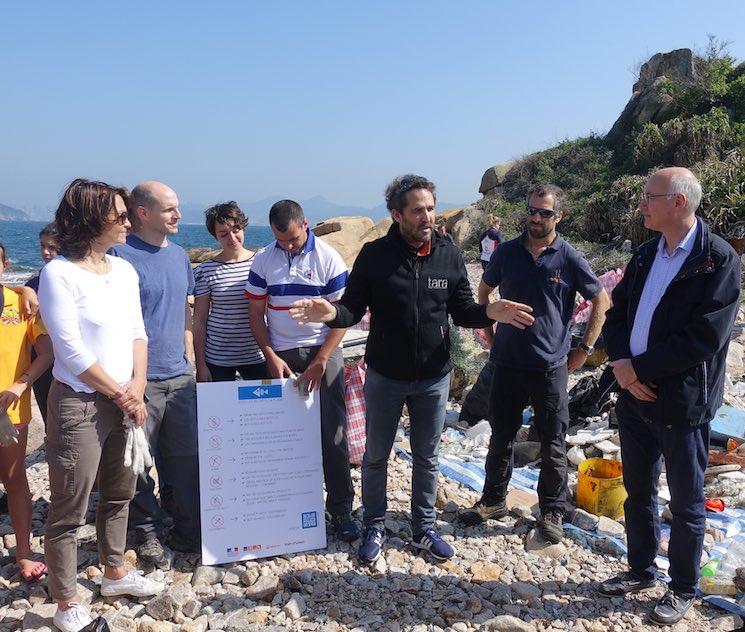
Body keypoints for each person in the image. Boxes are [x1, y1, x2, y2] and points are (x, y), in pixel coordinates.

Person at [289, 174, 534, 563]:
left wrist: (490, 311)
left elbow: (463, 310)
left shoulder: (449, 254)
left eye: (431, 208)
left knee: (427, 456)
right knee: (376, 455)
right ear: (396, 215)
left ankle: (424, 528)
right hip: (385, 375)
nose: (427, 217)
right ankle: (374, 523)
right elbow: (353, 308)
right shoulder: (374, 255)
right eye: (417, 210)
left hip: (434, 377)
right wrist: (332, 312)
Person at [598, 167, 740, 625]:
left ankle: (682, 587)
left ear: (678, 202)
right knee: (637, 489)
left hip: (681, 400)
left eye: (648, 196)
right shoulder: (645, 255)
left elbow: (705, 338)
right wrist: (623, 367)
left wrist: (638, 368)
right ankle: (640, 570)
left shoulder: (715, 260)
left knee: (685, 501)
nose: (640, 204)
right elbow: (616, 315)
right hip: (633, 394)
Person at [38, 179, 163, 632]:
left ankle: (113, 571)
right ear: (91, 219)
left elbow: (137, 332)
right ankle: (67, 599)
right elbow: (69, 352)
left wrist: (139, 384)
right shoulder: (59, 274)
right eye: (121, 214)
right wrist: (122, 393)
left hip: (123, 398)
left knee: (120, 492)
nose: (129, 221)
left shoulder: (124, 270)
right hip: (81, 404)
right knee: (70, 505)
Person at [459, 183, 609, 545]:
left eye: (544, 212)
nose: (536, 218)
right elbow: (483, 292)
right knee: (501, 434)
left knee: (553, 442)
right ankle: (493, 501)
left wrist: (585, 349)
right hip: (508, 364)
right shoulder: (507, 252)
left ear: (559, 215)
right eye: (531, 210)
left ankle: (552, 511)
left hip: (550, 367)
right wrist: (490, 332)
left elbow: (601, 300)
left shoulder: (569, 257)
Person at [246, 200, 359, 542]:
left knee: (332, 435)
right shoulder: (264, 259)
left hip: (323, 352)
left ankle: (341, 509)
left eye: (293, 240)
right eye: (281, 241)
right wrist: (269, 355)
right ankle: (286, 509)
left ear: (305, 225)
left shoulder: (328, 259)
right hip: (280, 354)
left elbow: (343, 317)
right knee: (281, 438)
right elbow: (255, 314)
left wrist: (321, 361)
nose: (288, 246)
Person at [111, 180, 200, 563]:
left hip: (179, 377)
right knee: (138, 466)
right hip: (137, 381)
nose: (178, 215)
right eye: (169, 209)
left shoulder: (179, 255)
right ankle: (146, 533)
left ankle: (185, 528)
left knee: (184, 460)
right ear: (143, 213)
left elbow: (184, 311)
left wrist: (191, 361)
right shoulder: (118, 256)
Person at [0, 243, 53, 583]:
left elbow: (46, 353)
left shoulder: (21, 303)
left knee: (15, 479)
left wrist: (21, 385)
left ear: (5, 264)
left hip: (11, 409)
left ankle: (23, 553)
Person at [194, 202, 265, 382]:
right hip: (217, 358)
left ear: (243, 228)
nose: (232, 238)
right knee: (217, 410)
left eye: (236, 230)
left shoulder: (262, 263)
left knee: (262, 410)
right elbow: (200, 321)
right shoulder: (205, 270)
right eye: (223, 234)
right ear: (215, 236)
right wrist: (201, 365)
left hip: (257, 354)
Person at [25, 222, 60, 426]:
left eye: (52, 247)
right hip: (41, 359)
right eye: (42, 246)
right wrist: (24, 290)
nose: (46, 252)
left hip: (68, 360)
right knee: (48, 414)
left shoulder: (77, 281)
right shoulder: (34, 284)